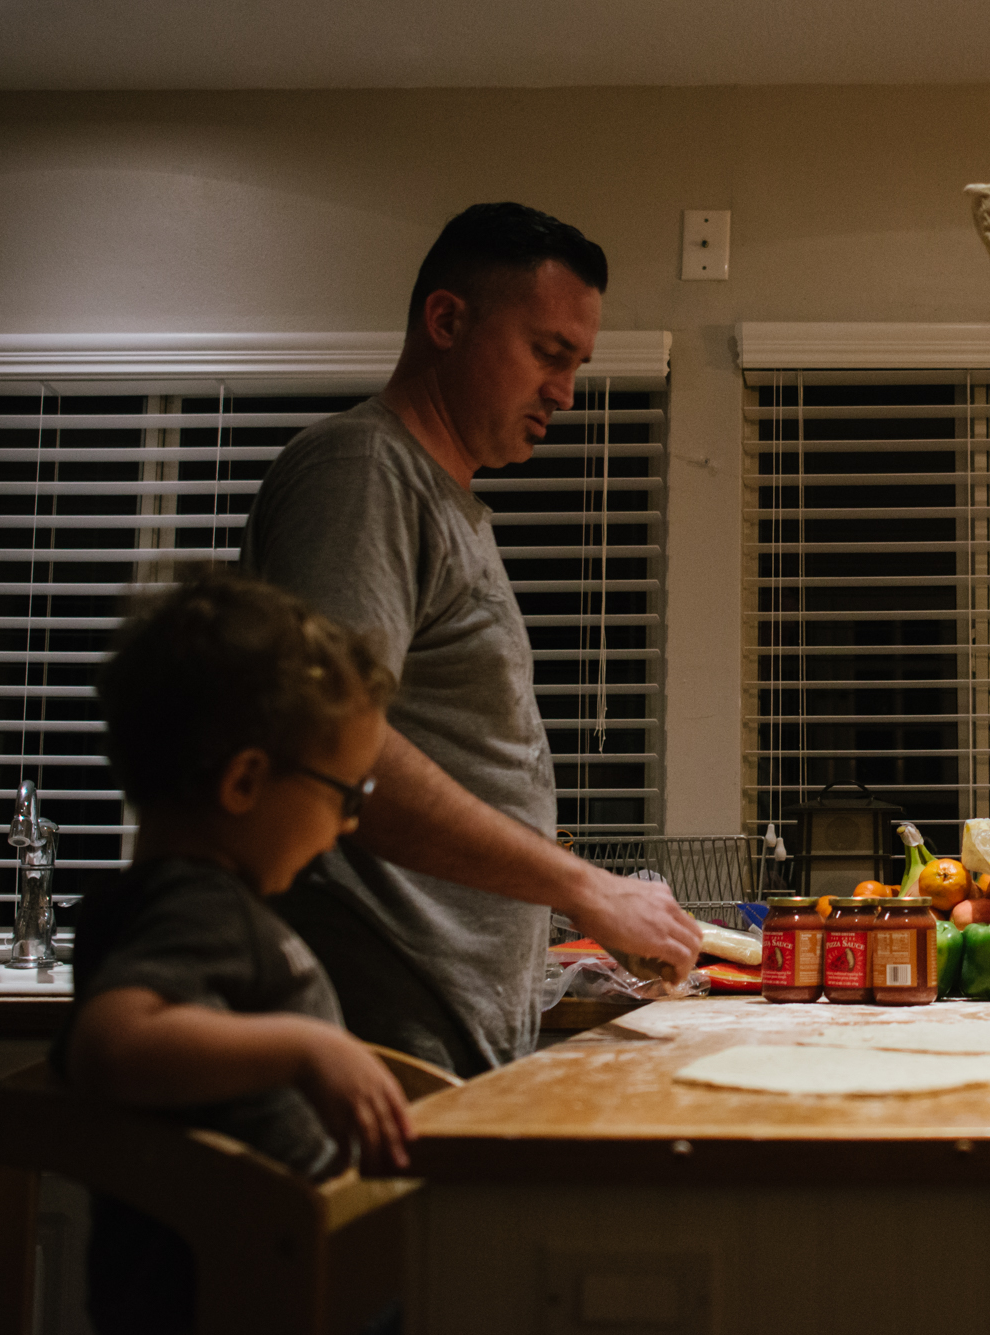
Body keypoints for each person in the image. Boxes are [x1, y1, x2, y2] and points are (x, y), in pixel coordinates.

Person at [242, 203, 701, 1077]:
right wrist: (585, 887)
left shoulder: (447, 502)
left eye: (578, 364)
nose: (565, 392)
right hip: (376, 1011)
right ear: (447, 321)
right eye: (548, 353)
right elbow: (332, 744)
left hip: (440, 1014)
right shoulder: (362, 473)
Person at [62, 569, 415, 1334]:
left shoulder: (177, 903)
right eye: (345, 794)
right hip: (239, 1294)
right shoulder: (195, 906)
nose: (350, 824)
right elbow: (111, 1041)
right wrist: (305, 1046)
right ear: (246, 781)